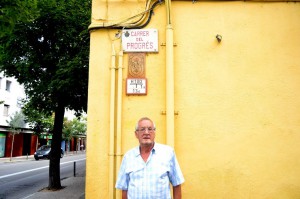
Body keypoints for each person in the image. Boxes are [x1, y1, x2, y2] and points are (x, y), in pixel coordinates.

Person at [115, 117, 185, 199]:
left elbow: (177, 184)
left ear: (154, 133)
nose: (146, 132)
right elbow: (124, 188)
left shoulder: (168, 153)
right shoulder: (128, 156)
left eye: (150, 129)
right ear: (136, 134)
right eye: (142, 129)